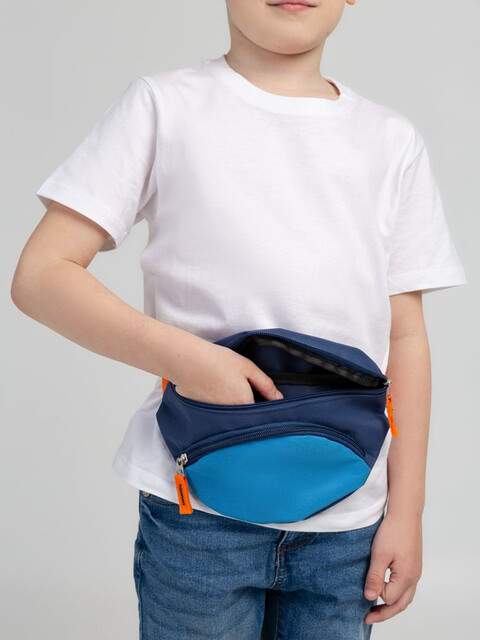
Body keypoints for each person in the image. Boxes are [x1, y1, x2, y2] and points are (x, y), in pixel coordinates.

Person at [11, 0, 467, 638]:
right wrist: (191, 360)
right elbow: (41, 277)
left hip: (350, 522)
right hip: (199, 512)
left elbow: (405, 336)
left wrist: (406, 513)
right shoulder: (164, 107)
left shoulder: (391, 141)